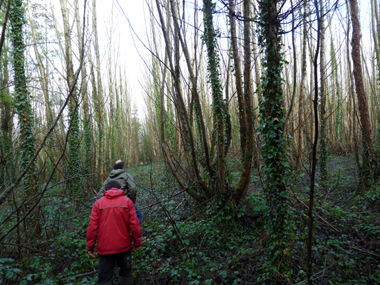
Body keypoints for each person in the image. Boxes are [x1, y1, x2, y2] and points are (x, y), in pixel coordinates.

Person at [87, 180, 142, 285]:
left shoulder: (98, 203)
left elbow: (92, 228)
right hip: (124, 247)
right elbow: (135, 225)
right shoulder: (127, 202)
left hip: (104, 249)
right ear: (120, 189)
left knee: (104, 279)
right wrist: (137, 242)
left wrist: (90, 246)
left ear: (106, 190)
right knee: (126, 274)